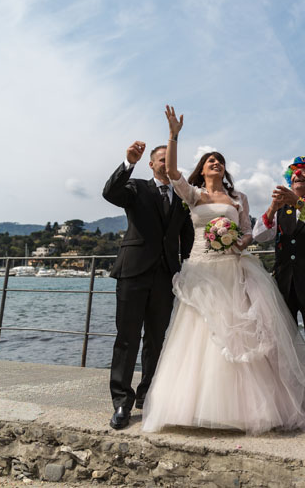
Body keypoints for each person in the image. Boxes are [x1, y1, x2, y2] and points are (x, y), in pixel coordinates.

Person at [141, 106, 305, 434]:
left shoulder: (241, 198)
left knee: (264, 337)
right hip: (204, 272)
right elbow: (176, 172)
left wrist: (237, 239)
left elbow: (253, 234)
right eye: (211, 160)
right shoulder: (194, 195)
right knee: (201, 336)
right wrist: (173, 135)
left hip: (240, 271)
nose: (217, 163)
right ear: (203, 169)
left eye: (220, 160)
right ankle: (195, 406)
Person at [102, 140, 193, 430]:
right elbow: (110, 193)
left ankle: (147, 396)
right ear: (152, 164)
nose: (167, 164)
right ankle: (121, 402)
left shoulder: (182, 196)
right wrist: (129, 163)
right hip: (133, 272)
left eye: (171, 160)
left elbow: (188, 239)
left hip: (166, 276)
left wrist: (189, 271)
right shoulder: (137, 187)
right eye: (162, 160)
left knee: (155, 340)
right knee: (126, 339)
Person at [252, 156, 305, 391]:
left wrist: (298, 203)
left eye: (304, 175)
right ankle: (287, 393)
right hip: (283, 285)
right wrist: (273, 208)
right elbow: (259, 236)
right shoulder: (280, 210)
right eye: (294, 175)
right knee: (282, 342)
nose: (298, 176)